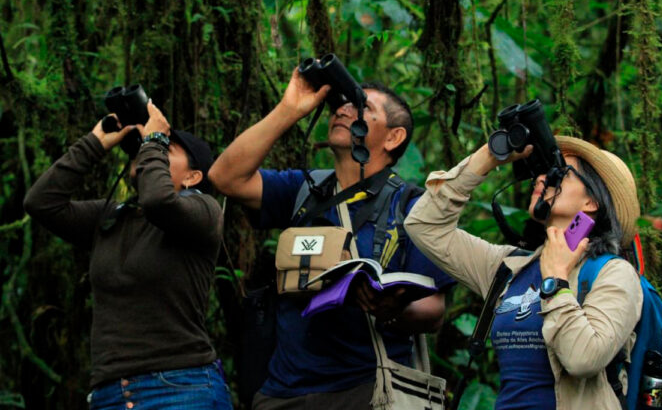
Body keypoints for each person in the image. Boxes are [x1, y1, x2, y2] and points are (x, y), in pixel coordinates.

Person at [208, 68, 454, 409]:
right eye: (341, 104)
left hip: (365, 391)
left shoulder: (412, 207)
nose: (343, 110)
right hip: (282, 394)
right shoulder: (304, 189)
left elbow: (433, 309)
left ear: (393, 137)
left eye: (362, 108)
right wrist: (290, 109)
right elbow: (224, 177)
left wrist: (389, 307)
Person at [403, 138, 644, 409]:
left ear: (591, 202)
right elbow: (424, 225)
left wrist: (555, 281)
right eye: (543, 171)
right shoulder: (508, 267)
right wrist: (489, 156)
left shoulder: (613, 273)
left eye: (559, 173)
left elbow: (583, 359)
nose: (542, 178)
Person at [24, 103, 232, 410]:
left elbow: (158, 201)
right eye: (147, 147)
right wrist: (95, 143)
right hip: (110, 394)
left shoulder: (204, 212)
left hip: (181, 388)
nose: (150, 150)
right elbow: (41, 203)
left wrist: (154, 141)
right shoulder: (113, 218)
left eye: (166, 148)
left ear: (192, 176)